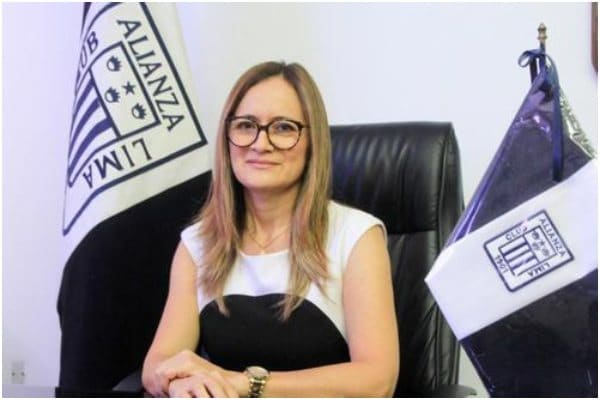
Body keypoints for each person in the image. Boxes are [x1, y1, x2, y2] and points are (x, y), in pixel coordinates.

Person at [142, 61, 399, 397]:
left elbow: (378, 381)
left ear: (312, 143)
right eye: (246, 125)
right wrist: (179, 382)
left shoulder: (356, 236)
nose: (260, 143)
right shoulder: (198, 244)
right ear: (227, 138)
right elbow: (157, 364)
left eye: (283, 128)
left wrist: (246, 383)